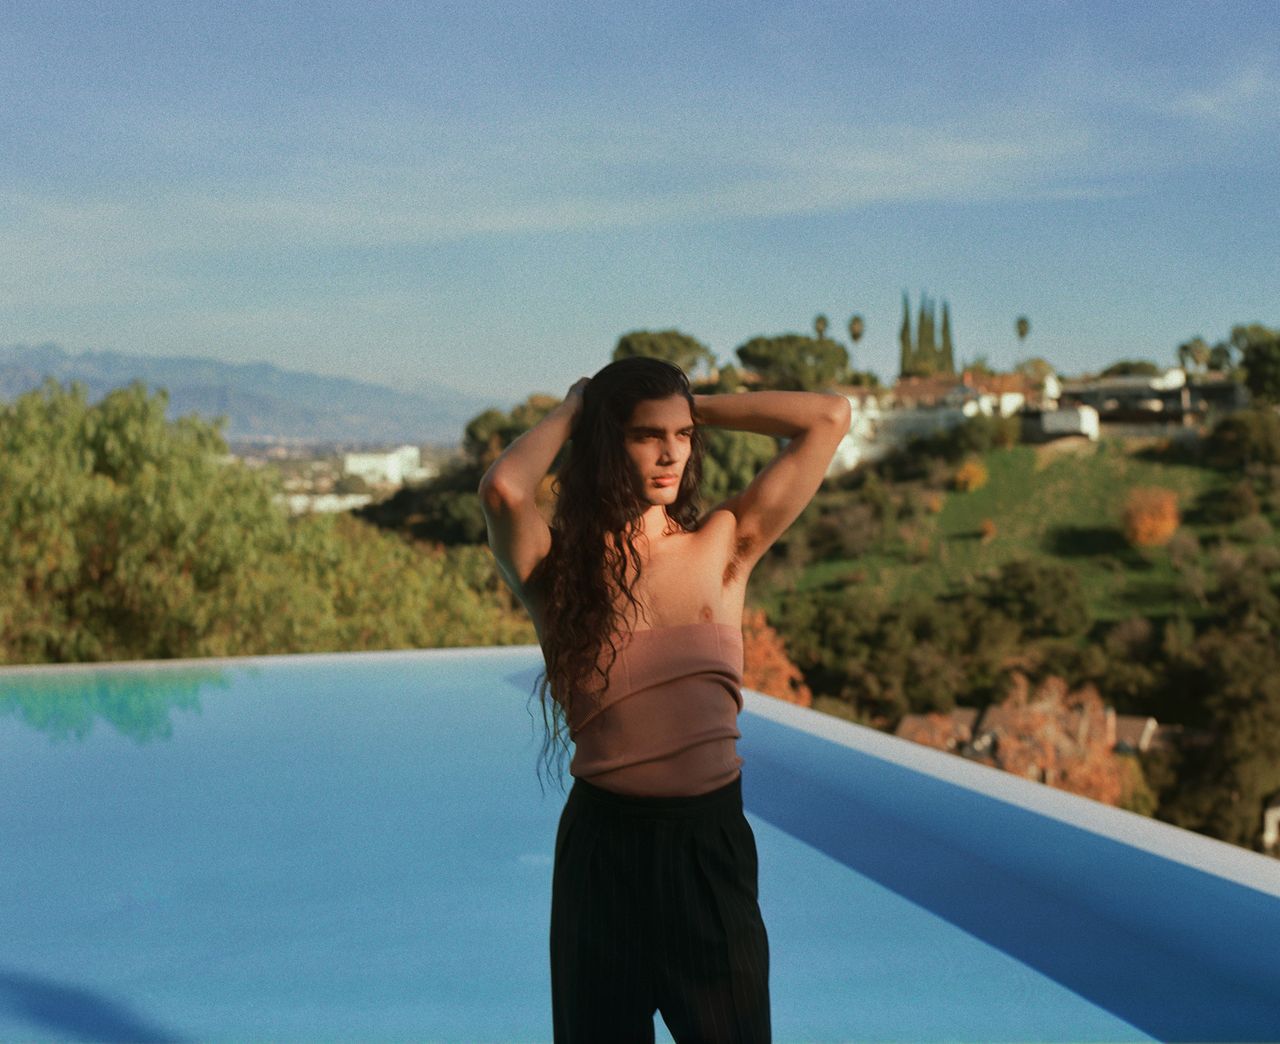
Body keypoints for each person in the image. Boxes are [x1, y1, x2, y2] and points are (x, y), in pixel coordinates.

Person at [479, 356, 851, 1043]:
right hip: (602, 855)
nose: (671, 451)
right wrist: (575, 408)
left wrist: (688, 404)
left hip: (707, 850)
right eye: (646, 435)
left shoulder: (723, 545)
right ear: (603, 443)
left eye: (682, 436)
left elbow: (827, 417)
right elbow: (504, 488)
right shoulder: (558, 571)